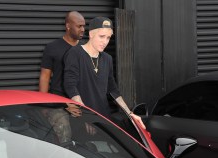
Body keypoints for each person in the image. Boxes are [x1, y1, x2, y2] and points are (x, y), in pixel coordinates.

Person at [64, 16, 146, 129]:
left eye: (108, 38)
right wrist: (85, 117)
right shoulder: (75, 53)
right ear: (91, 34)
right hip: (83, 120)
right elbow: (70, 86)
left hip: (104, 118)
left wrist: (130, 114)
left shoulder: (107, 59)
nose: (105, 42)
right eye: (101, 36)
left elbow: (113, 90)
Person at [38, 11, 85, 142]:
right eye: (79, 26)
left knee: (89, 138)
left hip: (80, 102)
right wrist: (44, 106)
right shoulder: (53, 47)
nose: (83, 30)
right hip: (57, 102)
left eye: (83, 26)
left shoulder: (85, 49)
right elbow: (45, 76)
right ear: (68, 26)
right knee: (64, 137)